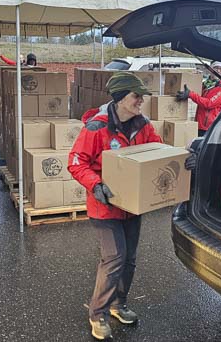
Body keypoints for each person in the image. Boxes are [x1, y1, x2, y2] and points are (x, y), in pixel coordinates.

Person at [68, 71, 162, 340]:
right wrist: (96, 184)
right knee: (114, 258)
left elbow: (157, 151)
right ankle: (98, 314)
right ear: (121, 98)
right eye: (136, 96)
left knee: (129, 259)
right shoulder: (96, 128)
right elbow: (76, 162)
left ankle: (118, 304)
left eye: (142, 96)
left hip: (132, 205)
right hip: (105, 206)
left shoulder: (143, 125)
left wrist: (178, 159)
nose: (141, 100)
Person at [176, 61, 221, 136]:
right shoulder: (205, 84)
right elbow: (198, 97)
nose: (218, 70)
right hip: (199, 124)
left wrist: (190, 94)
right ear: (211, 69)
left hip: (210, 126)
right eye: (216, 68)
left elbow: (209, 103)